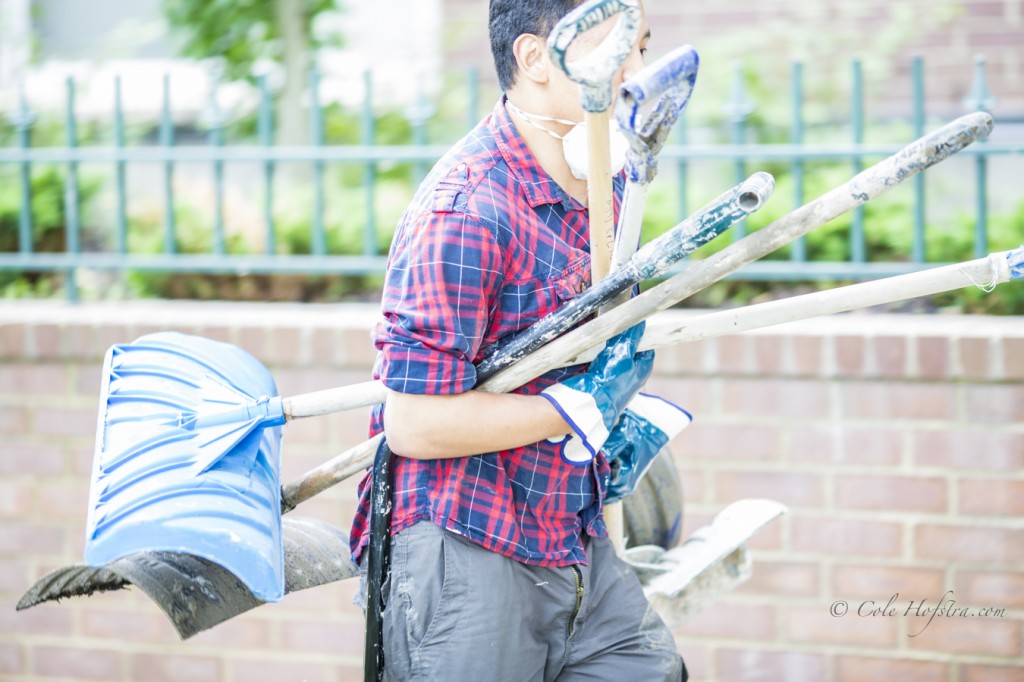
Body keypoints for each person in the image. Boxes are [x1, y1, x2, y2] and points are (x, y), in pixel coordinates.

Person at [349, 1, 688, 679]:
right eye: (615, 47)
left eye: (642, 47)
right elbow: (413, 423)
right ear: (535, 58)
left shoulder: (610, 187)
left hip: (570, 535)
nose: (635, 69)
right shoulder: (469, 207)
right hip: (463, 547)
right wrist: (578, 410)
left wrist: (607, 421)